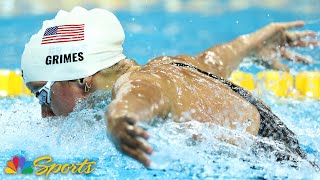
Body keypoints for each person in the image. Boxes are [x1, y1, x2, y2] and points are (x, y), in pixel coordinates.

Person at [22, 7, 319, 168]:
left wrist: (120, 118)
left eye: (43, 94)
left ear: (83, 79)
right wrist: (251, 45)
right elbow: (211, 60)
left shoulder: (141, 83)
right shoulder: (168, 66)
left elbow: (138, 98)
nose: (44, 113)